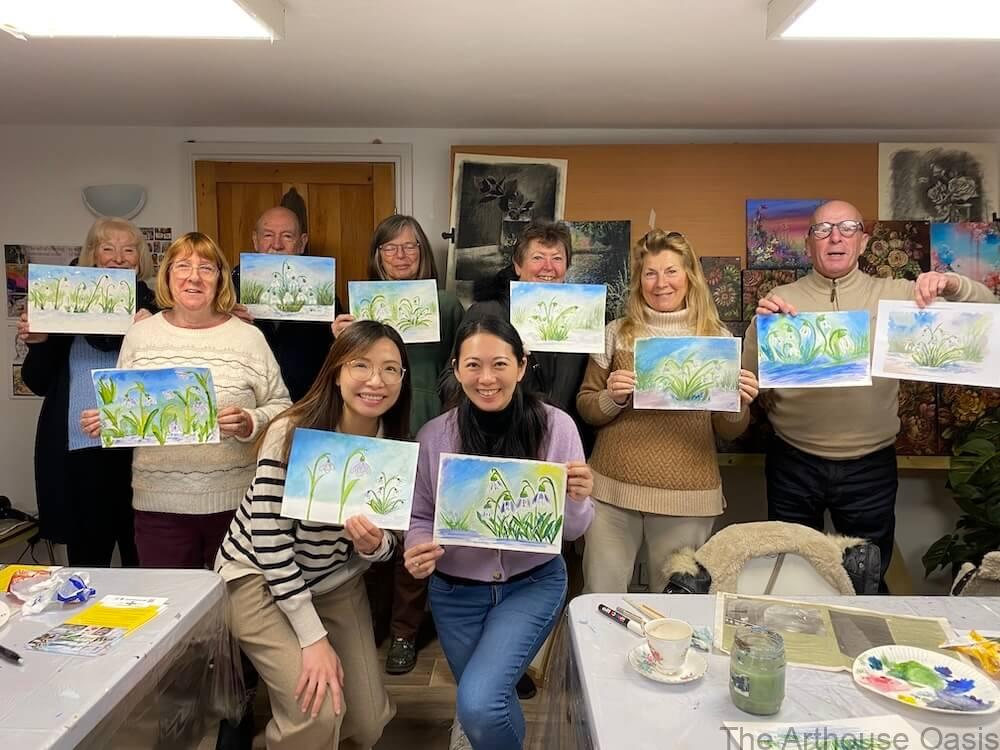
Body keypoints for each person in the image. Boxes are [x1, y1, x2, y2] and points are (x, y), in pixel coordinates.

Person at [742, 199, 997, 586]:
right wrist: (758, 330)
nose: (835, 237)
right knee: (790, 573)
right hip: (793, 461)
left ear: (862, 241)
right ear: (809, 243)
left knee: (865, 577)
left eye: (847, 228)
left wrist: (952, 283)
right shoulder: (781, 298)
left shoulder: (900, 295)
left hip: (869, 465)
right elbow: (747, 378)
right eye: (823, 230)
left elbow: (988, 312)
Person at [405, 316, 594, 750]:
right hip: (455, 591)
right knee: (487, 694)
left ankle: (474, 726)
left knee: (479, 700)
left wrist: (579, 499)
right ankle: (475, 730)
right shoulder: (435, 435)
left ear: (522, 366)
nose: (486, 378)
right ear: (455, 369)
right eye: (473, 365)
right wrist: (417, 546)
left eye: (499, 364)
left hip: (532, 584)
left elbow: (575, 528)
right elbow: (419, 515)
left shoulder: (557, 427)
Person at [216, 320, 407, 750]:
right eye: (362, 365)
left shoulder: (391, 444)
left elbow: (393, 541)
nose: (376, 380)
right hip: (257, 577)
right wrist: (312, 637)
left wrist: (376, 546)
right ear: (336, 370)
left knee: (370, 722)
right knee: (318, 713)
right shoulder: (291, 431)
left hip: (333, 580)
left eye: (391, 369)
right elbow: (268, 539)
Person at [81, 232, 291, 568]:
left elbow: (283, 407)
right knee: (171, 608)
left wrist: (251, 421)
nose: (194, 276)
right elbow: (130, 412)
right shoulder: (140, 336)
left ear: (220, 279)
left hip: (236, 505)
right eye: (183, 266)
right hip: (158, 507)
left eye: (206, 268)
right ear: (167, 276)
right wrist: (109, 420)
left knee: (234, 612)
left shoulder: (249, 338)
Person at [577, 229, 759, 595]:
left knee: (676, 604)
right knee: (600, 595)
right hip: (612, 492)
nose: (661, 283)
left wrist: (739, 405)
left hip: (687, 496)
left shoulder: (717, 339)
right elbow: (586, 405)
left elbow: (727, 430)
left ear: (690, 276)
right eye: (650, 273)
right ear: (638, 281)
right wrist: (611, 396)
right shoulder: (616, 333)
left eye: (671, 271)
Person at [332, 214, 465, 675]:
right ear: (377, 256)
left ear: (423, 252)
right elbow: (337, 373)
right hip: (373, 429)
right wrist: (341, 338)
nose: (402, 255)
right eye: (391, 248)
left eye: (411, 247)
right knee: (368, 527)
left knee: (416, 530)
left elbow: (460, 363)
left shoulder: (446, 304)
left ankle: (405, 631)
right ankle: (370, 622)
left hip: (427, 426)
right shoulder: (358, 307)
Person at [19, 217, 157, 566]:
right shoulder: (59, 306)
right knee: (88, 558)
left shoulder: (155, 309)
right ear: (92, 256)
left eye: (129, 249)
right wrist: (40, 343)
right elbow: (37, 381)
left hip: (138, 448)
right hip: (80, 446)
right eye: (107, 248)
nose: (118, 257)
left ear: (140, 259)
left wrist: (147, 332)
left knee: (142, 557)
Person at [456, 220, 591, 449]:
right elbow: (450, 380)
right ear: (518, 266)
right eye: (537, 257)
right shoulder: (488, 311)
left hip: (557, 441)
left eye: (557, 258)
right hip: (497, 441)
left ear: (567, 267)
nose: (548, 266)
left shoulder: (585, 319)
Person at [233, 206, 344, 401]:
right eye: (268, 235)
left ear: (302, 244)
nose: (276, 245)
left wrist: (343, 337)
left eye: (287, 236)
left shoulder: (321, 291)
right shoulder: (226, 290)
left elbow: (341, 357)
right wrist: (225, 321)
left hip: (307, 408)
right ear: (255, 241)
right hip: (247, 409)